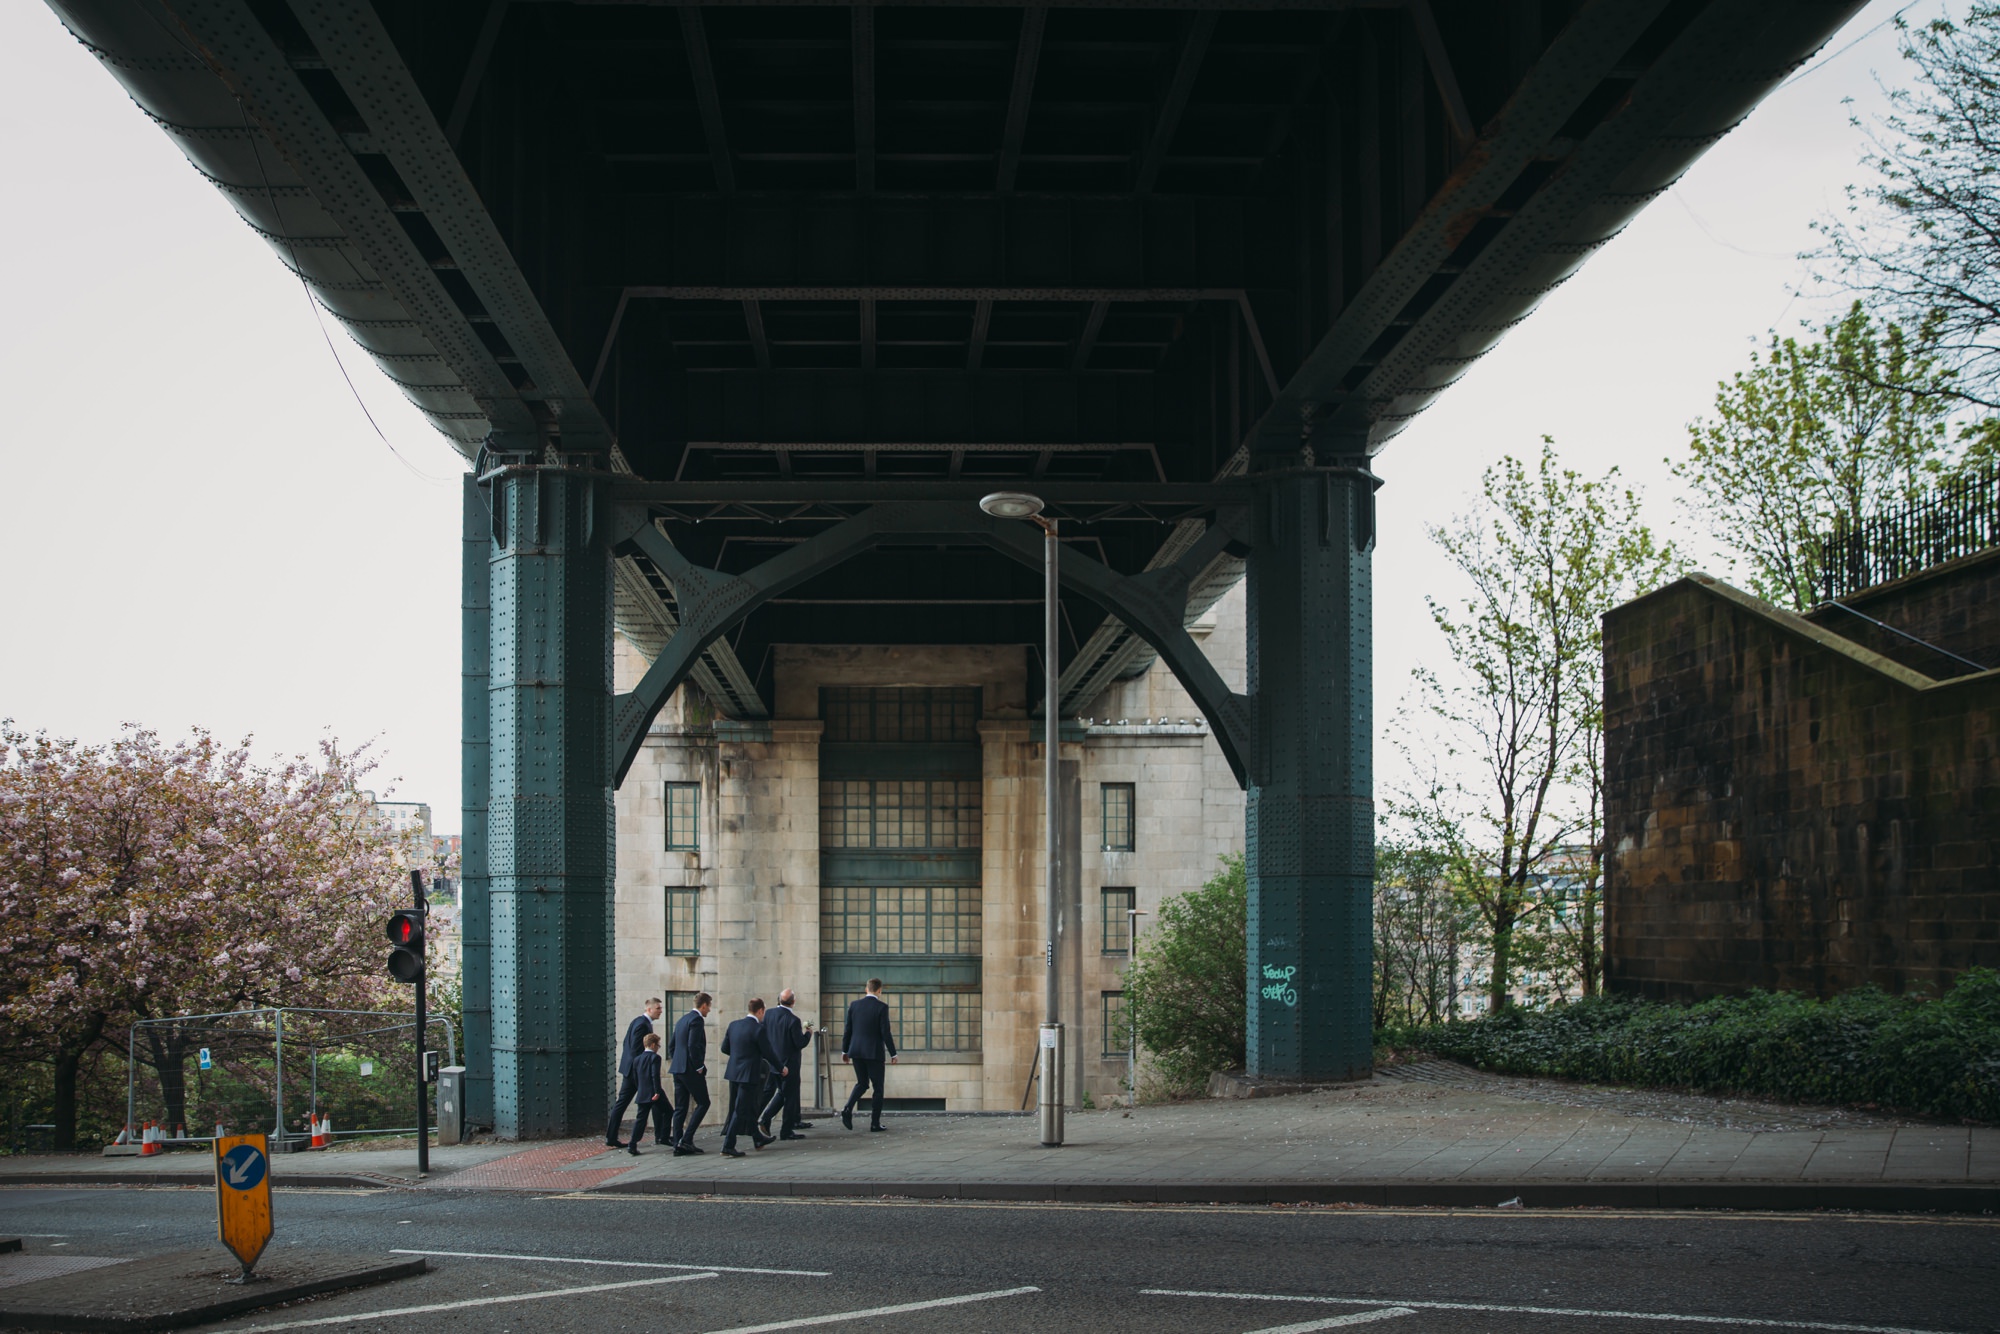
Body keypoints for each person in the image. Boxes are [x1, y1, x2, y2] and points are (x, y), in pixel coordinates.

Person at [719, 999, 776, 1158]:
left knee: (748, 1107)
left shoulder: (734, 1025)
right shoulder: (759, 1029)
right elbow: (768, 1052)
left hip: (733, 1072)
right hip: (749, 1074)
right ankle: (728, 1145)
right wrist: (781, 1067)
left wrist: (739, 1056)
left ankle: (758, 1139)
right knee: (740, 1108)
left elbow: (725, 1048)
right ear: (760, 1011)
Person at [841, 977, 898, 1132]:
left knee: (862, 1083)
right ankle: (874, 1123)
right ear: (879, 990)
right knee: (878, 1088)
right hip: (874, 1053)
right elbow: (885, 1033)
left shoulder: (854, 1005)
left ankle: (847, 1108)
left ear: (866, 989)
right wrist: (893, 1053)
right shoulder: (882, 1007)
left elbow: (848, 1030)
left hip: (856, 1051)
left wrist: (845, 1051)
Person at [605, 997, 663, 1147]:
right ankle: (660, 1136)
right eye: (658, 1008)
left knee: (623, 1103)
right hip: (636, 1072)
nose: (660, 1011)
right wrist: (643, 1070)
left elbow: (626, 1044)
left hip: (631, 1070)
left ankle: (611, 1137)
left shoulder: (638, 1022)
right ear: (649, 1009)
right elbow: (635, 1050)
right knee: (655, 1099)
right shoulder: (642, 1025)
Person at [758, 988, 814, 1140]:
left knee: (777, 1093)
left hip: (772, 1062)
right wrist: (808, 1033)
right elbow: (799, 1043)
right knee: (789, 1096)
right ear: (793, 1002)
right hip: (789, 1064)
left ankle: (764, 1118)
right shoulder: (793, 1020)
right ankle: (785, 1129)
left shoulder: (768, 1014)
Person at [667, 991, 713, 1155]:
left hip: (677, 1068)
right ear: (704, 1005)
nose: (709, 1010)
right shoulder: (696, 1020)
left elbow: (672, 1046)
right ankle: (686, 1140)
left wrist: (677, 1061)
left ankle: (677, 1145)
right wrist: (699, 1066)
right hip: (690, 1069)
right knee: (704, 1103)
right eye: (709, 1007)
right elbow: (693, 1045)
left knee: (680, 1108)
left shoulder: (681, 1020)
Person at [626, 1033, 667, 1155]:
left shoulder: (637, 1059)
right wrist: (657, 1091)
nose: (658, 1047)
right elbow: (655, 1075)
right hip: (654, 1093)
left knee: (641, 1119)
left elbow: (635, 1077)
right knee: (669, 1112)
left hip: (643, 1093)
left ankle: (632, 1143)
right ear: (653, 1045)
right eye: (658, 1045)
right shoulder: (655, 1058)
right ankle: (663, 1137)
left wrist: (641, 1089)